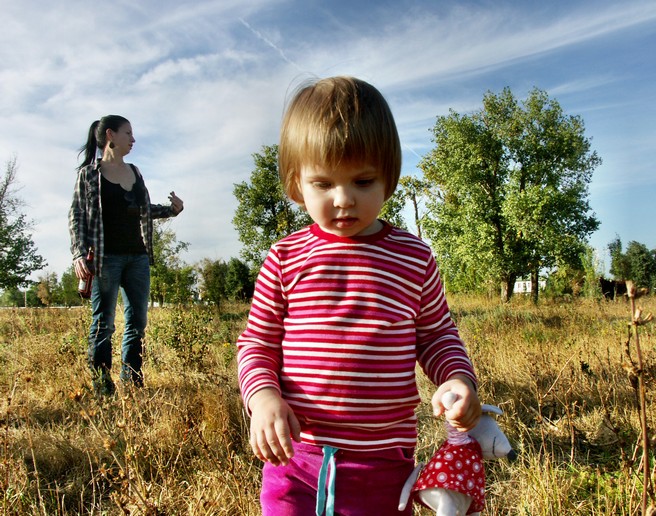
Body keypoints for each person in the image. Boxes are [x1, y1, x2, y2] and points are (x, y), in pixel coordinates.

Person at [236, 76, 481, 516]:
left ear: (389, 177)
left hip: (382, 463)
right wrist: (263, 399)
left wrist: (458, 380)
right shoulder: (286, 257)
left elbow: (437, 336)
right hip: (295, 459)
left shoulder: (413, 257)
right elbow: (257, 343)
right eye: (323, 184)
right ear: (296, 185)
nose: (344, 199)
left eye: (363, 181)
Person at [69, 115, 184, 396]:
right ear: (110, 134)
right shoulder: (89, 175)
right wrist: (78, 254)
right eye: (128, 133)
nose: (133, 140)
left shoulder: (135, 171)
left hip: (138, 258)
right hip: (105, 258)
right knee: (103, 323)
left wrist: (171, 210)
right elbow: (77, 216)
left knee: (137, 322)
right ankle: (102, 386)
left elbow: (143, 210)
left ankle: (132, 382)